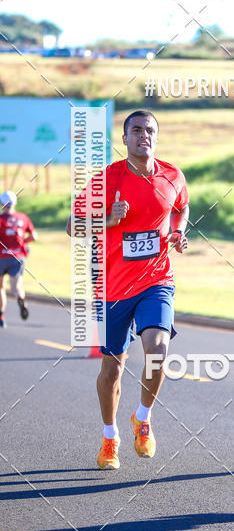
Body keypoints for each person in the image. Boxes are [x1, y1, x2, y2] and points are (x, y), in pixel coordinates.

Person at [67, 110, 189, 470]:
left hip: (156, 280)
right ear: (124, 139)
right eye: (136, 130)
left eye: (149, 130)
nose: (143, 135)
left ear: (156, 137)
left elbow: (182, 206)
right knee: (112, 371)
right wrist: (108, 219)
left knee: (157, 351)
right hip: (113, 288)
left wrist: (178, 231)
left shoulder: (172, 175)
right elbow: (72, 226)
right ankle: (110, 436)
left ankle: (143, 418)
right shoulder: (106, 180)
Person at [0, 190, 37, 327]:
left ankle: (1, 317)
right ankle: (20, 298)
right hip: (18, 257)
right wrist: (22, 243)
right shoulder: (23, 218)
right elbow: (34, 236)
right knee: (17, 286)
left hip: (2, 257)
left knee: (1, 287)